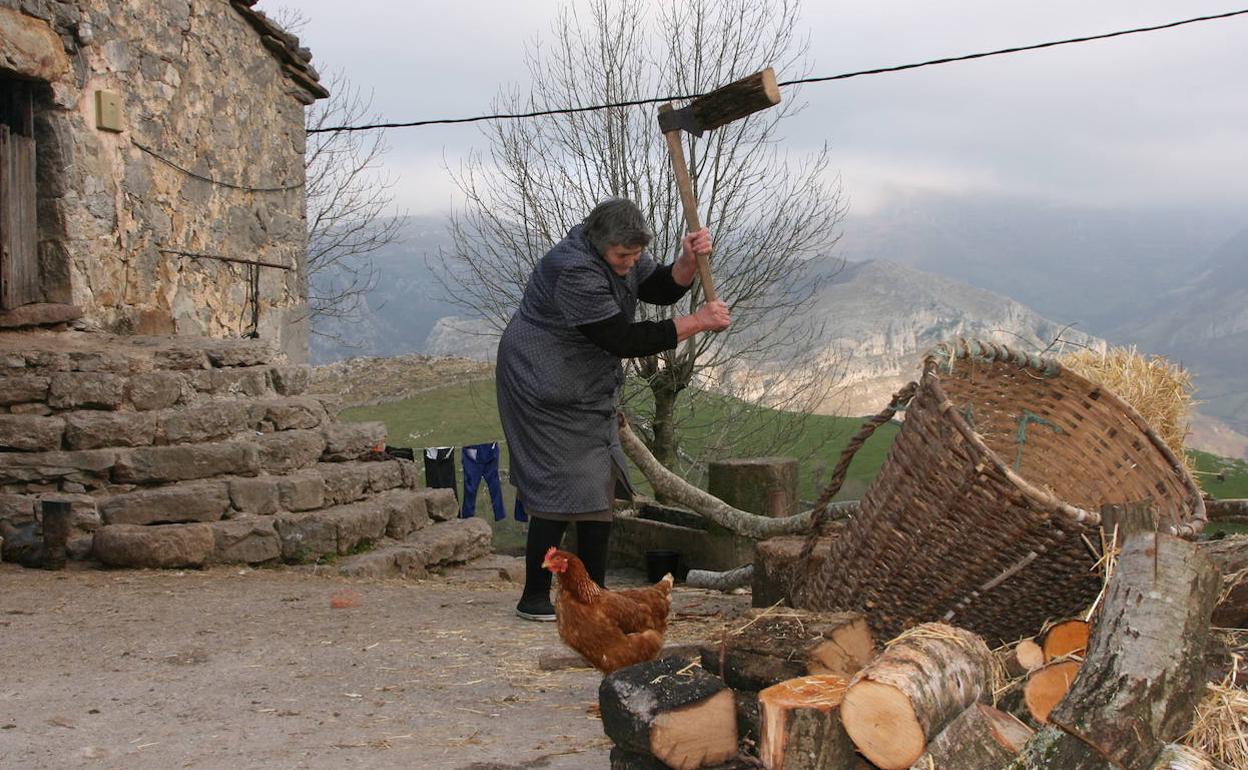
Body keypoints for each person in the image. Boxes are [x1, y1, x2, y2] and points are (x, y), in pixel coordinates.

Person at [496, 198, 731, 621]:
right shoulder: (573, 270)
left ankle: (593, 596)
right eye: (623, 256)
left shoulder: (619, 252)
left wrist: (687, 261)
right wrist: (696, 322)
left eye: (636, 255)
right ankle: (534, 597)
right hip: (541, 381)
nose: (630, 263)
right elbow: (622, 339)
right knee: (558, 484)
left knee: (598, 483)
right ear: (599, 242)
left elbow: (660, 287)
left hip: (582, 382)